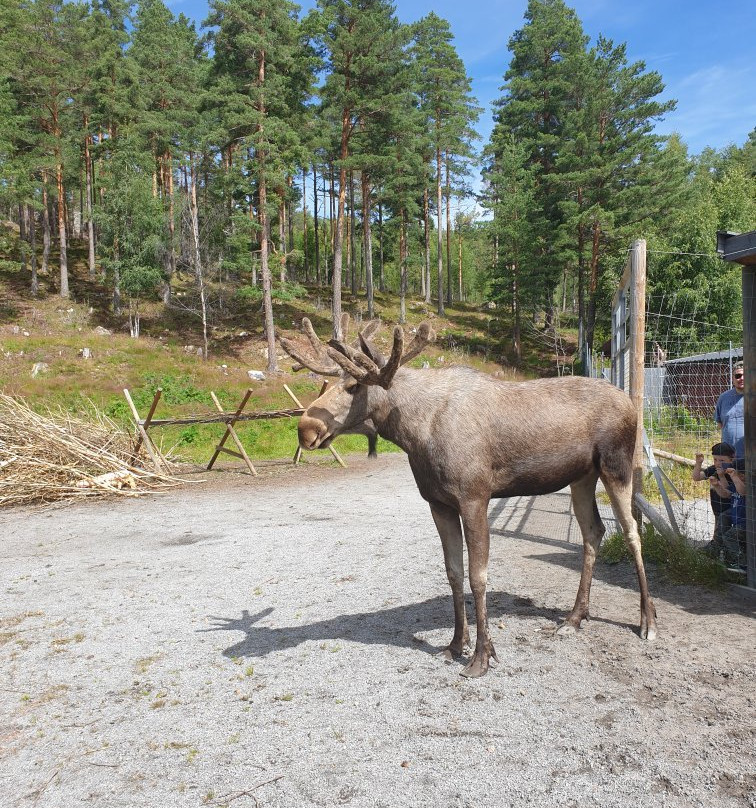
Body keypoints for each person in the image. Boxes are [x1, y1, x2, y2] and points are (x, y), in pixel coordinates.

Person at [693, 442, 736, 559]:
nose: (718, 463)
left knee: (726, 533)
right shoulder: (713, 469)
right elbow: (696, 477)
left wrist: (721, 476)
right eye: (715, 459)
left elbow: (727, 493)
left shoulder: (732, 472)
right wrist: (698, 463)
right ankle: (715, 552)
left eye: (722, 460)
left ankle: (724, 554)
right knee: (717, 528)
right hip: (717, 507)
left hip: (730, 509)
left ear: (732, 459)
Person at [721, 458, 747, 572]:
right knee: (738, 542)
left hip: (746, 524)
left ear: (742, 475)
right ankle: (733, 562)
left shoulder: (749, 485)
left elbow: (743, 492)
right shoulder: (735, 484)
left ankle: (743, 565)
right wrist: (717, 484)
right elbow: (726, 493)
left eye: (735, 471)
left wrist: (734, 476)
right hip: (737, 522)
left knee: (729, 537)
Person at [715, 361, 745, 459]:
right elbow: (720, 424)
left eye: (745, 375)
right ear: (732, 378)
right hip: (728, 457)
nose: (742, 378)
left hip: (750, 457)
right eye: (738, 376)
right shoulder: (723, 398)